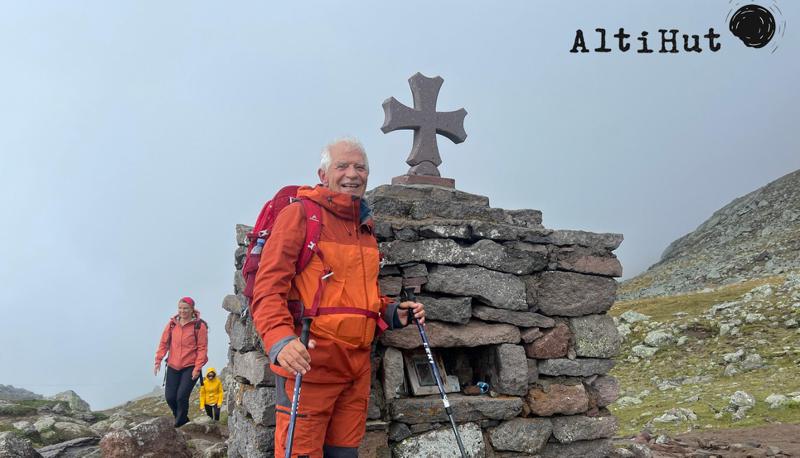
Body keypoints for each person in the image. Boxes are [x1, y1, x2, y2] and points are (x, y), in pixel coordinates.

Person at [251, 137, 425, 457]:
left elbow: (360, 293)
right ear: (323, 174)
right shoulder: (300, 215)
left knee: (344, 454)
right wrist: (279, 339)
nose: (352, 174)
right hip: (310, 366)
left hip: (355, 371)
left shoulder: (364, 228)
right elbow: (267, 287)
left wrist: (390, 313)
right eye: (342, 166)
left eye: (360, 167)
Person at [154, 296, 208, 427]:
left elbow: (202, 348)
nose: (182, 311)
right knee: (170, 398)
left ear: (192, 309)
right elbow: (164, 343)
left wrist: (197, 368)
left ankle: (179, 425)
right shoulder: (172, 324)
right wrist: (158, 360)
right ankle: (182, 420)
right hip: (173, 366)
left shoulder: (198, 326)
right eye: (180, 308)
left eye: (185, 308)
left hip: (190, 366)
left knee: (181, 397)